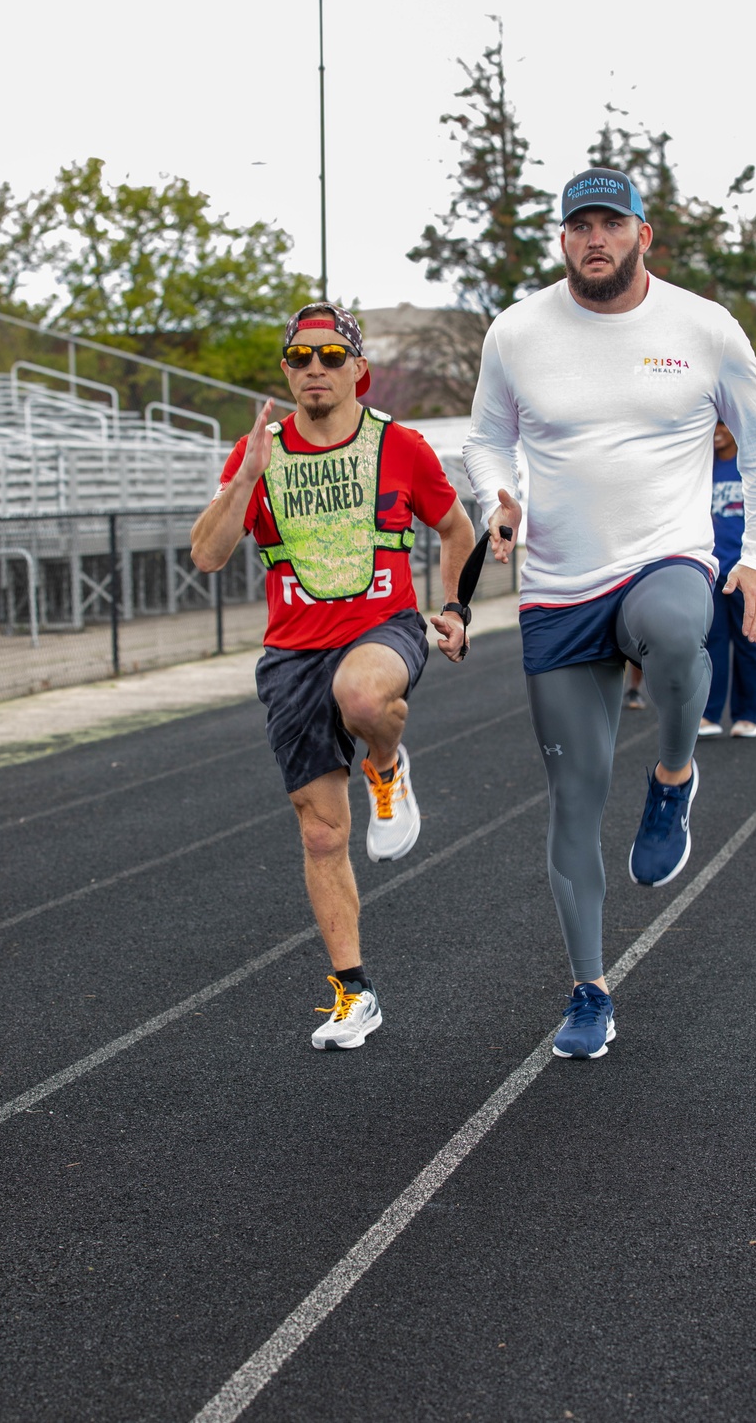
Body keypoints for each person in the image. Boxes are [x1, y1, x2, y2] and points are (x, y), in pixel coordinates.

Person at [463, 166, 756, 1060]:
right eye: (580, 226)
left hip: (664, 555)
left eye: (611, 223)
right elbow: (486, 437)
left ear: (643, 235)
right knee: (574, 800)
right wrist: (495, 498)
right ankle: (589, 990)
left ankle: (674, 779)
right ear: (563, 238)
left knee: (682, 630)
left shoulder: (703, 327)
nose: (594, 239)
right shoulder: (517, 331)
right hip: (557, 587)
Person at [191, 303, 476, 1050]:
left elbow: (456, 527)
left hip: (383, 632)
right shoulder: (255, 453)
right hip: (292, 655)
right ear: (287, 371)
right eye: (299, 357)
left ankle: (387, 766)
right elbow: (208, 555)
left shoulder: (399, 445)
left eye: (330, 356)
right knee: (322, 835)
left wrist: (454, 607)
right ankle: (355, 993)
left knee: (362, 695)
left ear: (359, 369)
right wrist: (245, 478)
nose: (314, 368)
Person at [699, 421, 756, 739]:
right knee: (710, 644)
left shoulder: (751, 466)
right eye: (712, 425)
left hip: (746, 570)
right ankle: (709, 714)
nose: (717, 431)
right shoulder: (701, 466)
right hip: (711, 571)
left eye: (723, 425)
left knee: (750, 643)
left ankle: (747, 716)